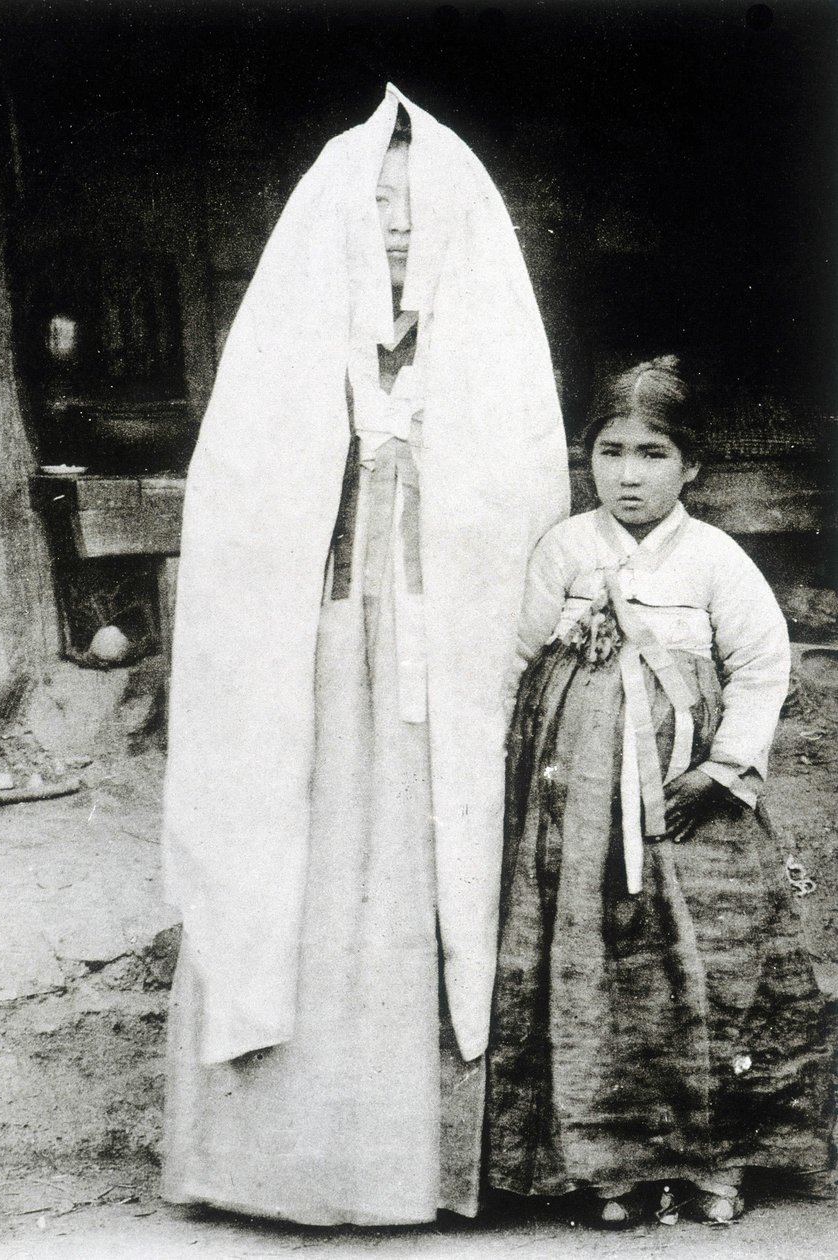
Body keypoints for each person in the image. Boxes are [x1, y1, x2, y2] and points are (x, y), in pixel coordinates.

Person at [161, 85, 569, 1226]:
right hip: (316, 656)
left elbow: (515, 499)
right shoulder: (295, 350)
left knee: (421, 879)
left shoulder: (480, 356)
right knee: (290, 858)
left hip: (439, 669)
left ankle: (412, 1166)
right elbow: (246, 499)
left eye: (414, 200)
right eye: (376, 198)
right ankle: (270, 1164)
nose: (395, 221)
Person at [487, 355, 832, 1228]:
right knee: (595, 979)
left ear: (692, 467)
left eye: (652, 453)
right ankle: (608, 1167)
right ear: (587, 458)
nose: (628, 474)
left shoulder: (715, 558)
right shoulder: (565, 550)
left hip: (692, 813)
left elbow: (760, 667)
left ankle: (719, 1163)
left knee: (714, 970)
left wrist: (721, 773)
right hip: (580, 820)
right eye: (610, 452)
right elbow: (517, 661)